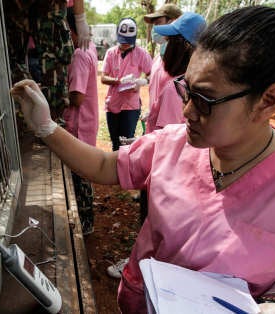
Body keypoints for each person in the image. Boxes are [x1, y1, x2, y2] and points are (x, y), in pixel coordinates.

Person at [11, 5, 275, 314]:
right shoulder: (171, 144)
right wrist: (45, 128)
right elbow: (105, 166)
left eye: (205, 99)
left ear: (268, 100)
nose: (188, 110)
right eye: (186, 90)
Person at [107, 11, 207, 280]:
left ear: (184, 46)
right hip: (170, 162)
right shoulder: (180, 77)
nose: (163, 41)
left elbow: (169, 136)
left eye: (170, 39)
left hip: (167, 166)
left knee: (155, 220)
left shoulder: (180, 87)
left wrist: (143, 145)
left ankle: (143, 268)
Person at [63, 12, 99, 235]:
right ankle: (87, 219)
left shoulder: (79, 54)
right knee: (83, 172)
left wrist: (58, 98)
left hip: (78, 125)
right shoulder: (91, 48)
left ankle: (85, 222)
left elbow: (77, 97)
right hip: (87, 122)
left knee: (80, 174)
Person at [101, 18, 152, 151]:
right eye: (122, 41)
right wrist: (119, 81)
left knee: (126, 142)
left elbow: (152, 75)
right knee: (115, 142)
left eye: (128, 42)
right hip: (113, 103)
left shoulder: (142, 54)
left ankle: (124, 170)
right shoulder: (111, 53)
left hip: (131, 105)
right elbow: (103, 77)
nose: (124, 45)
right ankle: (114, 170)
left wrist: (143, 81)